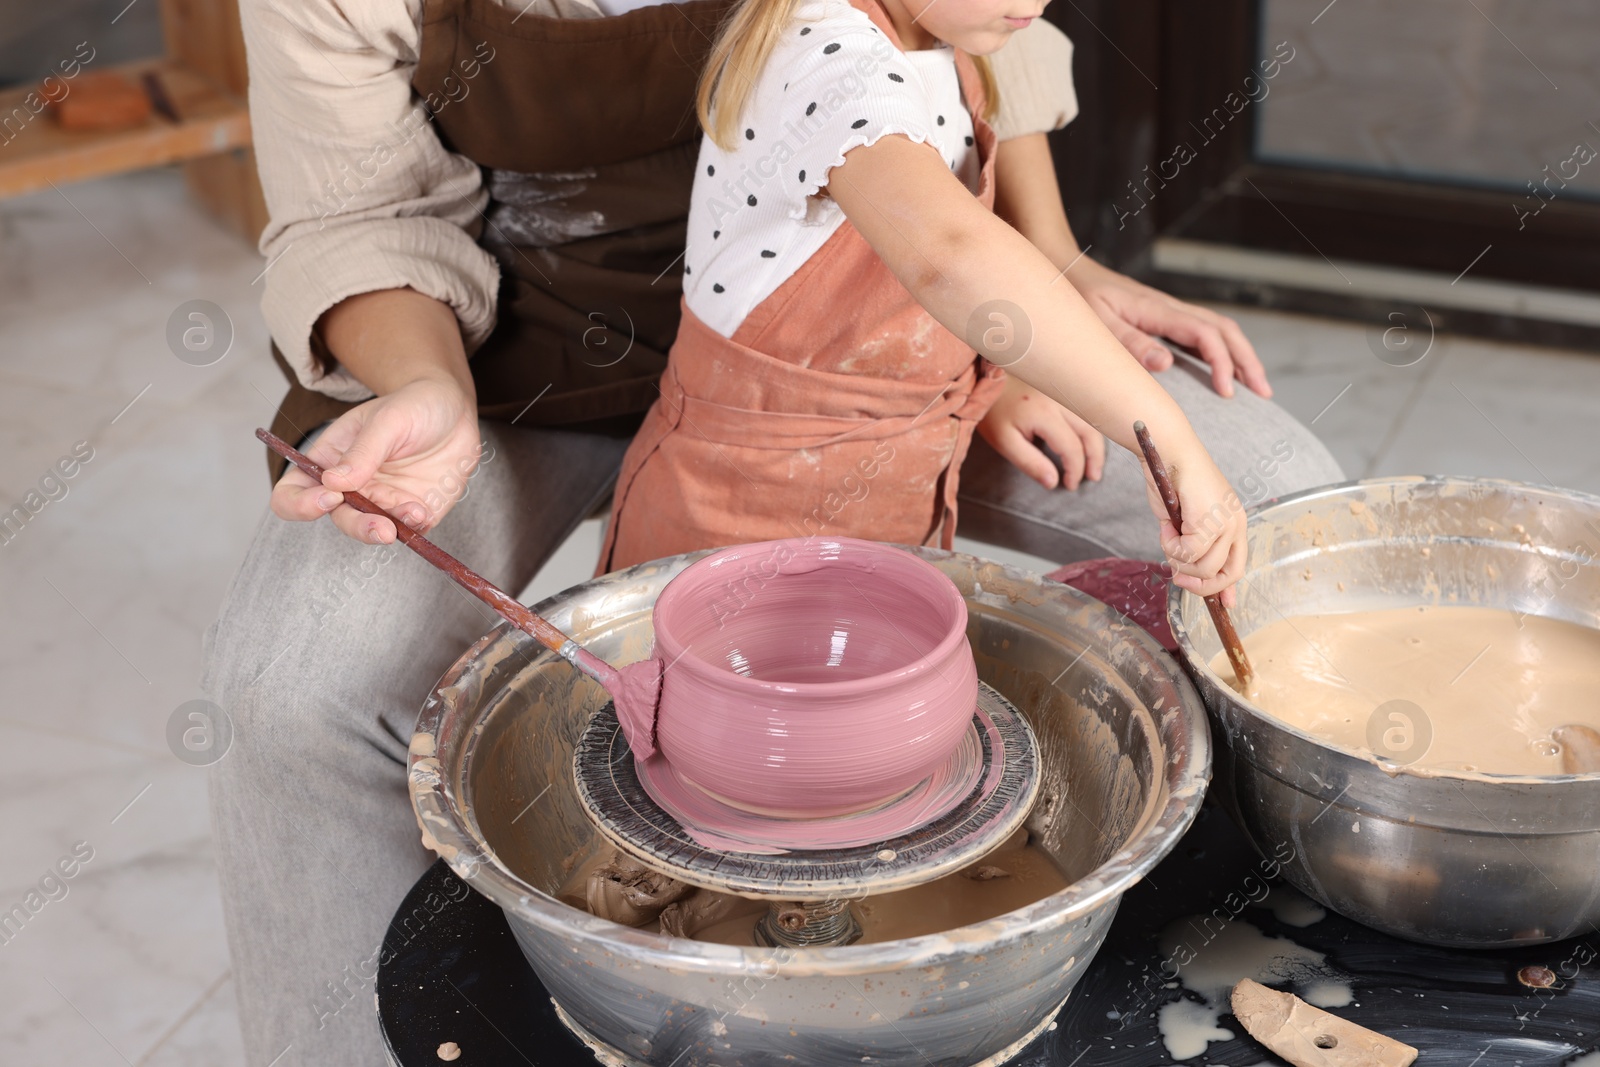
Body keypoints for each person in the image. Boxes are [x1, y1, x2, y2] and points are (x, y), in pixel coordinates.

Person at [205, 0, 1343, 1063]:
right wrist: (426, 389)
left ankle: (1228, 959)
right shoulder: (831, 62)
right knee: (293, 682)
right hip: (541, 365)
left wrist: (1035, 292)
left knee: (1283, 495)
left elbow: (977, 87)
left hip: (874, 351)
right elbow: (361, 215)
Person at [600, 0, 1245, 595]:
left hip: (894, 502)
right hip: (732, 521)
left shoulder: (947, 34)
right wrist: (1167, 437)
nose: (1040, 1)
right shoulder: (824, 57)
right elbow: (949, 254)